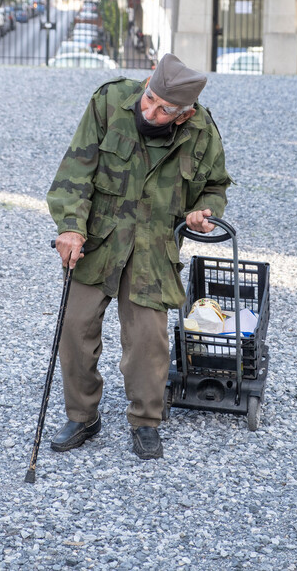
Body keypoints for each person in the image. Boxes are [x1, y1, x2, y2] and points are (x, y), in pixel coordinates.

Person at [46, 53, 232, 460]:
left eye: (163, 110)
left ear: (183, 115)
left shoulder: (201, 132)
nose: (149, 110)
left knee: (148, 339)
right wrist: (70, 226)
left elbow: (215, 186)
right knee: (75, 327)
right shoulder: (110, 102)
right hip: (99, 239)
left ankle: (146, 421)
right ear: (149, 81)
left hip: (154, 246)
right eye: (149, 98)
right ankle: (82, 415)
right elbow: (75, 171)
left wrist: (204, 212)